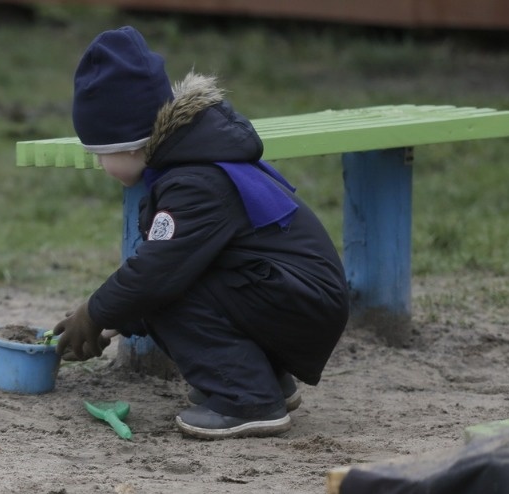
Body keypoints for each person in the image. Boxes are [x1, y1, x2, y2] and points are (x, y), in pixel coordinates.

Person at [52, 26, 350, 440]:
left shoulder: (196, 182)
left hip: (304, 304)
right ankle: (264, 382)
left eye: (101, 155)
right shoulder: (192, 160)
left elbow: (157, 274)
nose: (101, 168)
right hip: (294, 298)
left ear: (131, 144)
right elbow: (180, 264)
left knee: (164, 285)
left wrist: (96, 311)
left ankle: (246, 399)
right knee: (167, 281)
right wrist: (110, 323)